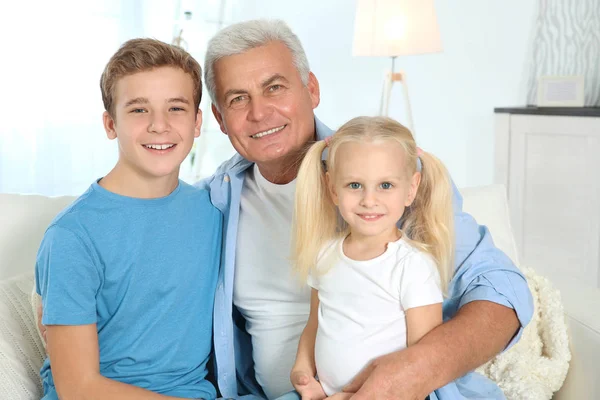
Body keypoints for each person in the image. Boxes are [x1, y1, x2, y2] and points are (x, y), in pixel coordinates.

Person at [199, 19, 533, 400]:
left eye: (274, 87)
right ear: (219, 119)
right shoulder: (213, 203)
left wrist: (417, 370)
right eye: (238, 98)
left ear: (312, 89)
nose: (259, 112)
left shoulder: (385, 178)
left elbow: (504, 289)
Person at [35, 38, 221, 400]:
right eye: (138, 110)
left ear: (198, 122)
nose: (159, 126)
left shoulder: (212, 211)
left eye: (176, 108)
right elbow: (78, 387)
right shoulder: (73, 236)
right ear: (110, 124)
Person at [291, 116, 453, 399]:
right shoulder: (325, 254)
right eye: (354, 185)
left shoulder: (413, 266)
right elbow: (314, 324)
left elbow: (419, 364)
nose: (369, 199)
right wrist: (303, 371)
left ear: (411, 188)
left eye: (385, 185)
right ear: (333, 189)